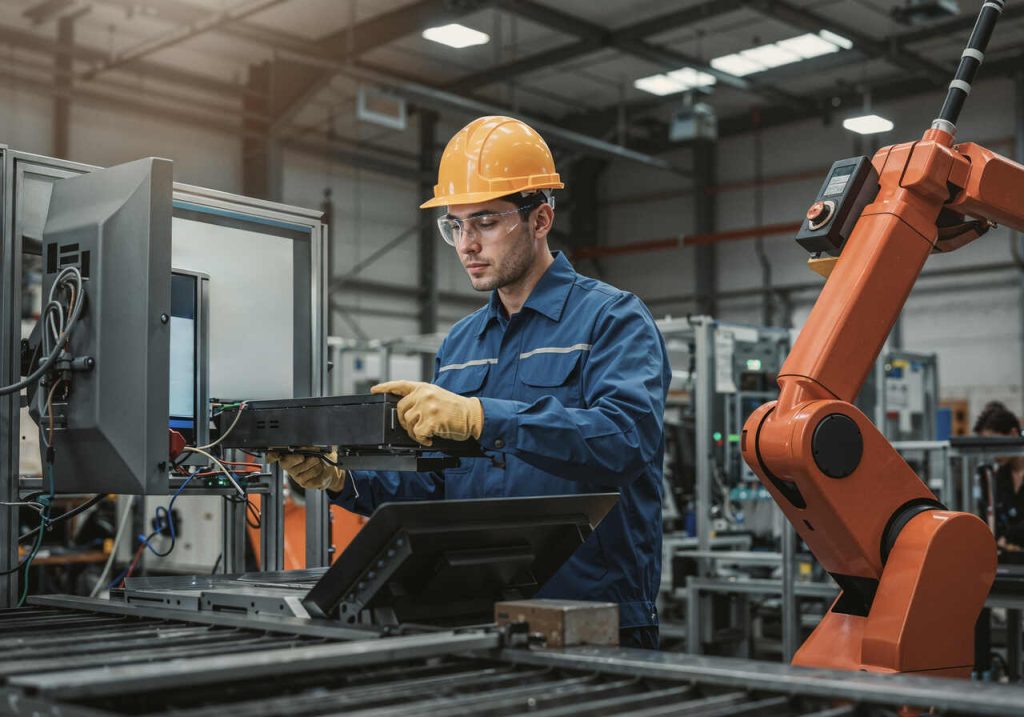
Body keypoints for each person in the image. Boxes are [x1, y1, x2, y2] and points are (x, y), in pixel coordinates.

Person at [272, 116, 671, 648]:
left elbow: (626, 440)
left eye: (485, 221)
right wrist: (343, 478)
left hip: (594, 617)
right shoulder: (462, 344)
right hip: (478, 615)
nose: (466, 244)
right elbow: (440, 483)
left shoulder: (612, 320)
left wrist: (484, 418)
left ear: (540, 219)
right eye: (455, 225)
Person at [974, 402, 1024, 550]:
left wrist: (1009, 536)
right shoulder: (997, 476)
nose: (992, 453)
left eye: (996, 444)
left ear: (1013, 434)